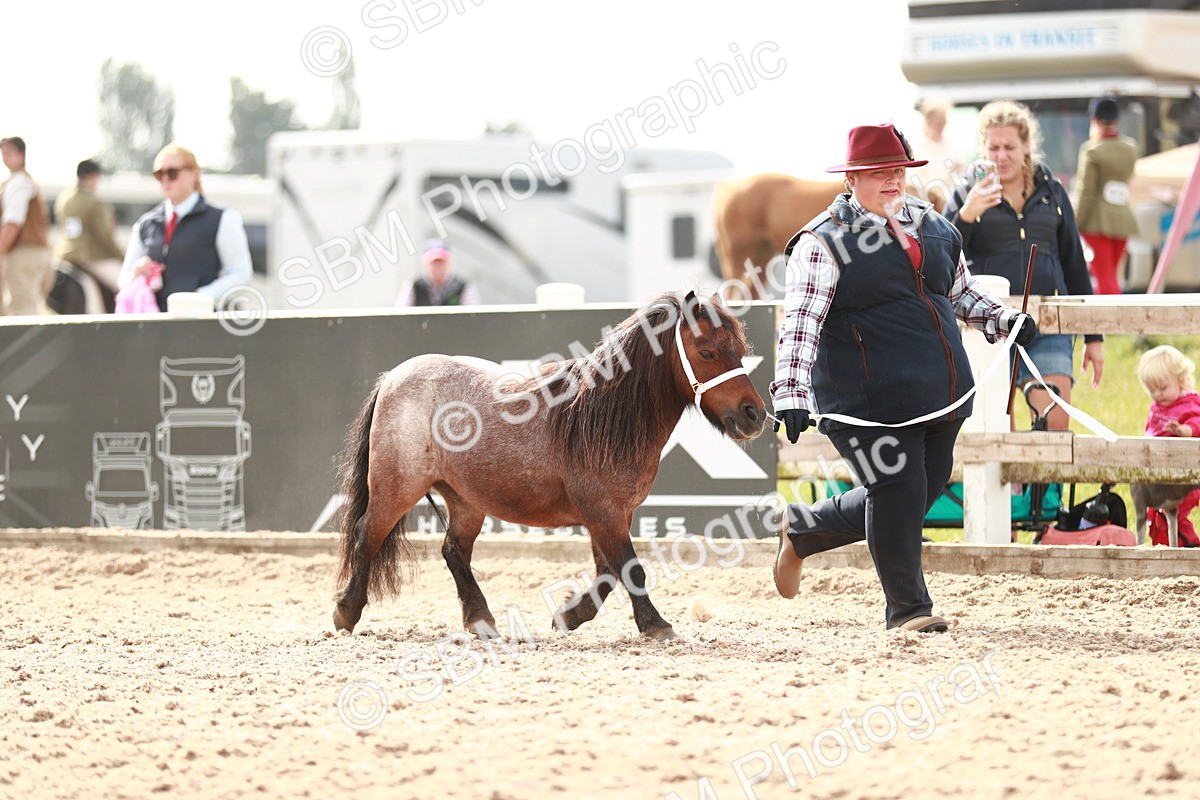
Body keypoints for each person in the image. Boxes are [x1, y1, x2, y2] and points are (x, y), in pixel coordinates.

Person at [771, 123, 1037, 633]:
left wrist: (1006, 320)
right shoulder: (822, 241)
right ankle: (909, 610)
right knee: (897, 488)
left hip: (939, 391)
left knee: (915, 491)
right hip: (864, 399)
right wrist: (791, 392)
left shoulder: (935, 226)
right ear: (851, 178)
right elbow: (801, 321)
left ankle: (804, 528)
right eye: (878, 173)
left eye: (898, 170)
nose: (892, 181)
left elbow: (959, 294)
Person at [945, 100, 1103, 433]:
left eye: (1009, 147)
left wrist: (1094, 336)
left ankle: (1043, 474)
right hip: (988, 325)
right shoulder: (965, 193)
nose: (1001, 156)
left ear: (1026, 146)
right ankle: (1010, 473)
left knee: (1054, 427)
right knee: (998, 431)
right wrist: (966, 216)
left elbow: (1074, 263)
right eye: (993, 148)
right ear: (983, 148)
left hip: (1047, 323)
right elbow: (940, 256)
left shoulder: (1052, 192)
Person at [118, 144, 252, 311]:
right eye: (159, 174)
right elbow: (124, 278)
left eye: (172, 173)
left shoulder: (223, 218)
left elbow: (240, 274)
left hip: (201, 320)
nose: (165, 179)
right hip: (155, 321)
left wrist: (201, 297)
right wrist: (135, 275)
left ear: (194, 174)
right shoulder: (145, 223)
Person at [1074, 96, 1139, 295]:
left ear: (1094, 119)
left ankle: (1114, 316)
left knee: (1104, 278)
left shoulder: (1091, 150)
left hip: (1096, 223)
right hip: (1123, 220)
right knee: (1111, 276)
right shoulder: (1130, 148)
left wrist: (1075, 223)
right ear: (1117, 119)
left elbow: (1086, 191)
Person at [1136, 345, 1200, 547]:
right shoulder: (1157, 407)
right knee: (1155, 517)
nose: (1157, 394)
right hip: (1159, 476)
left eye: (1162, 388)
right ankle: (1163, 550)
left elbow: (1197, 424)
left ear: (1180, 380)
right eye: (1152, 389)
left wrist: (1184, 430)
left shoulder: (1189, 404)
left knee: (1170, 515)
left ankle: (1187, 546)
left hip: (1185, 478)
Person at [54, 159, 125, 313]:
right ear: (92, 176)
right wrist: (122, 256)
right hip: (89, 256)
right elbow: (104, 236)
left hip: (64, 256)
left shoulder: (63, 199)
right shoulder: (95, 201)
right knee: (126, 283)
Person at [0, 136, 54, 316]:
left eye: (9, 152)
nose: (4, 156)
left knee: (21, 310)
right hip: (26, 252)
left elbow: (13, 221)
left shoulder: (19, 183)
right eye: (3, 153)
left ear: (22, 154)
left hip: (23, 252)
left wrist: (0, 252)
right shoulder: (17, 182)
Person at [909, 97, 965, 214]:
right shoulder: (917, 148)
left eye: (942, 121)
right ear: (928, 120)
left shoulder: (954, 148)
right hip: (928, 208)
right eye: (936, 120)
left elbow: (961, 178)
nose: (940, 124)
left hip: (953, 206)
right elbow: (915, 183)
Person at [396, 238, 480, 307]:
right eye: (434, 262)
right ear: (426, 263)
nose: (438, 265)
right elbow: (402, 312)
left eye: (442, 261)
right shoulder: (413, 286)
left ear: (449, 262)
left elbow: (473, 314)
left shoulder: (463, 287)